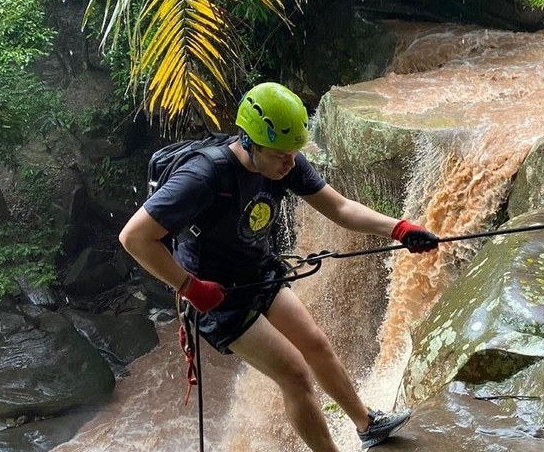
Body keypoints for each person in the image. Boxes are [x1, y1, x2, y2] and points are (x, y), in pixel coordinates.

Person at [119, 82, 439, 451]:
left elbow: (339, 208)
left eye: (294, 155)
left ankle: (367, 424)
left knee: (316, 344)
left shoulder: (284, 163)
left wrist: (399, 229)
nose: (290, 165)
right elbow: (135, 238)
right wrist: (190, 287)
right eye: (280, 156)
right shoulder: (203, 177)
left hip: (258, 274)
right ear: (248, 142)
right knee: (295, 374)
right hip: (218, 298)